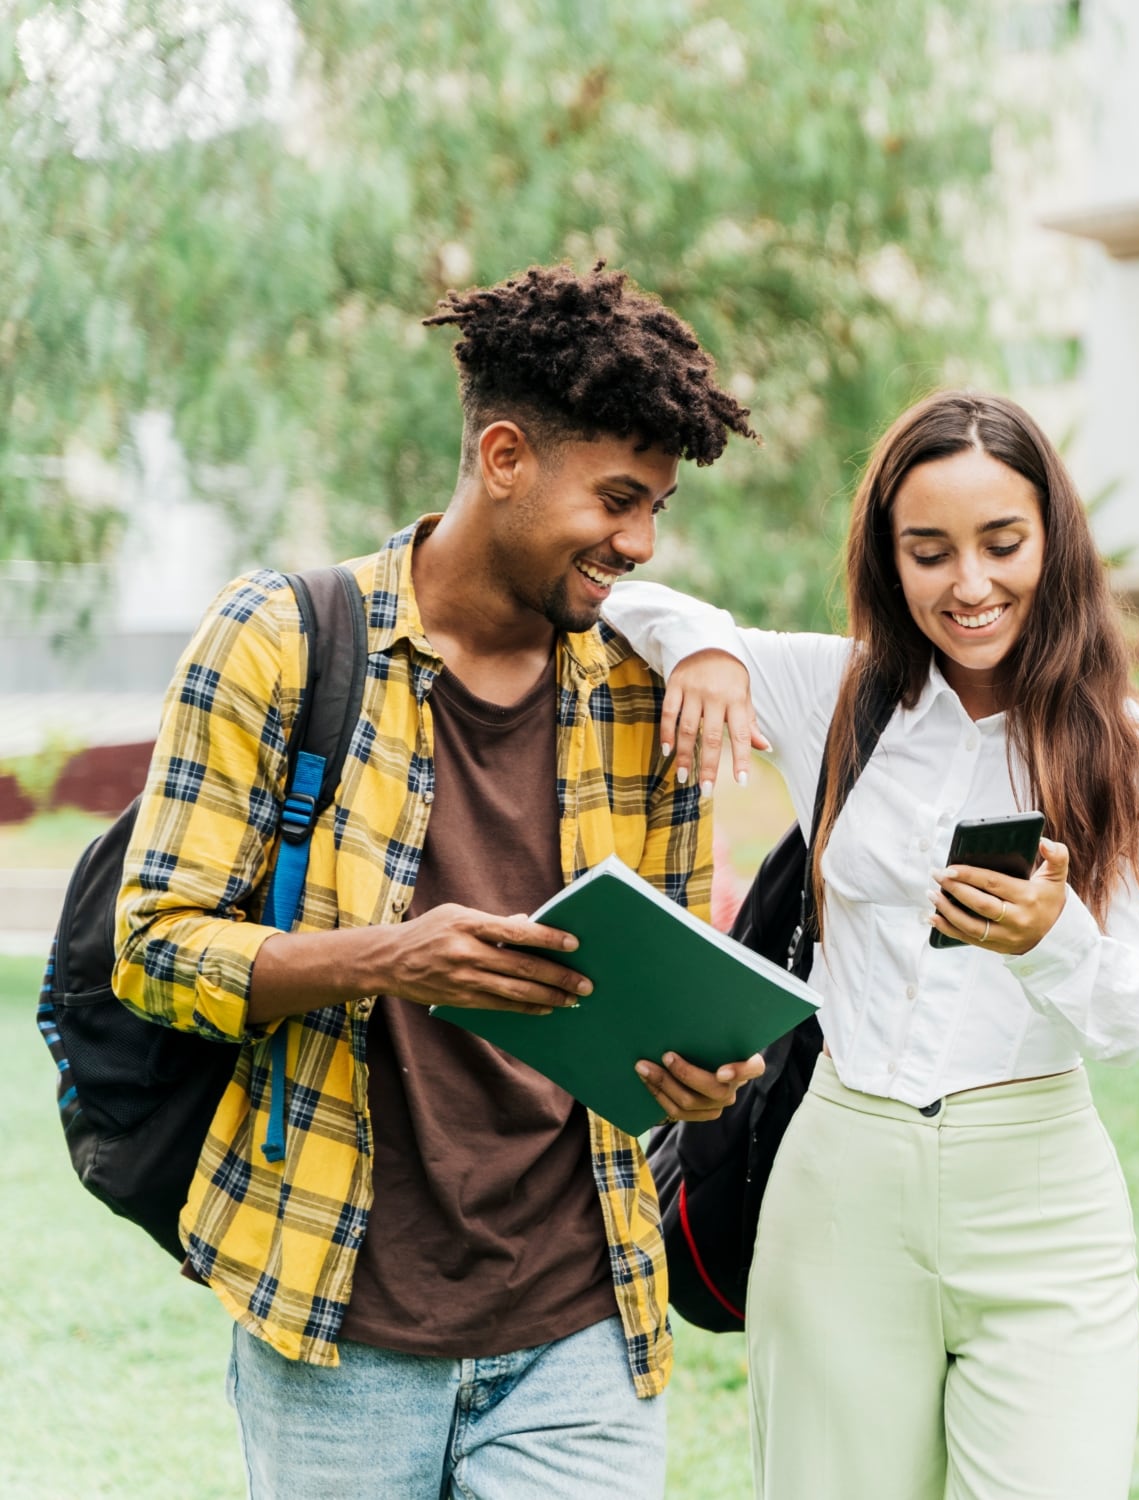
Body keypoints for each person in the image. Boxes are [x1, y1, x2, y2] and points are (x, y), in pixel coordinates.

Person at [112, 263, 769, 1499]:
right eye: (619, 499)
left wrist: (698, 1074)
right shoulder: (280, 640)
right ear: (505, 457)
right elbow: (151, 949)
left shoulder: (647, 690)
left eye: (658, 511)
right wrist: (388, 958)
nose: (638, 543)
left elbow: (672, 979)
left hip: (583, 1322)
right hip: (337, 1319)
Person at [604, 390, 1139, 1500]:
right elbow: (622, 602)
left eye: (1000, 544)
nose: (968, 585)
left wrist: (1047, 938)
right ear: (889, 560)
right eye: (927, 552)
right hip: (841, 1178)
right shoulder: (834, 693)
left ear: (1053, 544)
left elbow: (1134, 1016)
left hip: (1040, 1190)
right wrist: (707, 653)